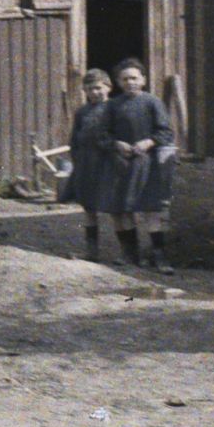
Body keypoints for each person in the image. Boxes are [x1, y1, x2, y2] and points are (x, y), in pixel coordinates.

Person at [97, 57, 178, 271]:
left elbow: (166, 132)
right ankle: (129, 253)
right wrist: (116, 144)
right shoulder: (112, 106)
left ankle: (159, 256)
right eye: (125, 79)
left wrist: (149, 141)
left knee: (152, 210)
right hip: (120, 164)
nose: (130, 82)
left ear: (143, 79)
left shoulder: (152, 102)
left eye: (134, 78)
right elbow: (101, 135)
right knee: (121, 210)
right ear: (118, 82)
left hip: (146, 164)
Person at [59, 69, 114, 260]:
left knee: (116, 208)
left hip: (108, 163)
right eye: (90, 89)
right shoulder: (82, 112)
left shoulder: (115, 108)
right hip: (86, 164)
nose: (95, 93)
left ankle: (128, 253)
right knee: (89, 208)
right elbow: (75, 138)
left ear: (108, 87)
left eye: (98, 88)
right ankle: (92, 252)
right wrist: (77, 158)